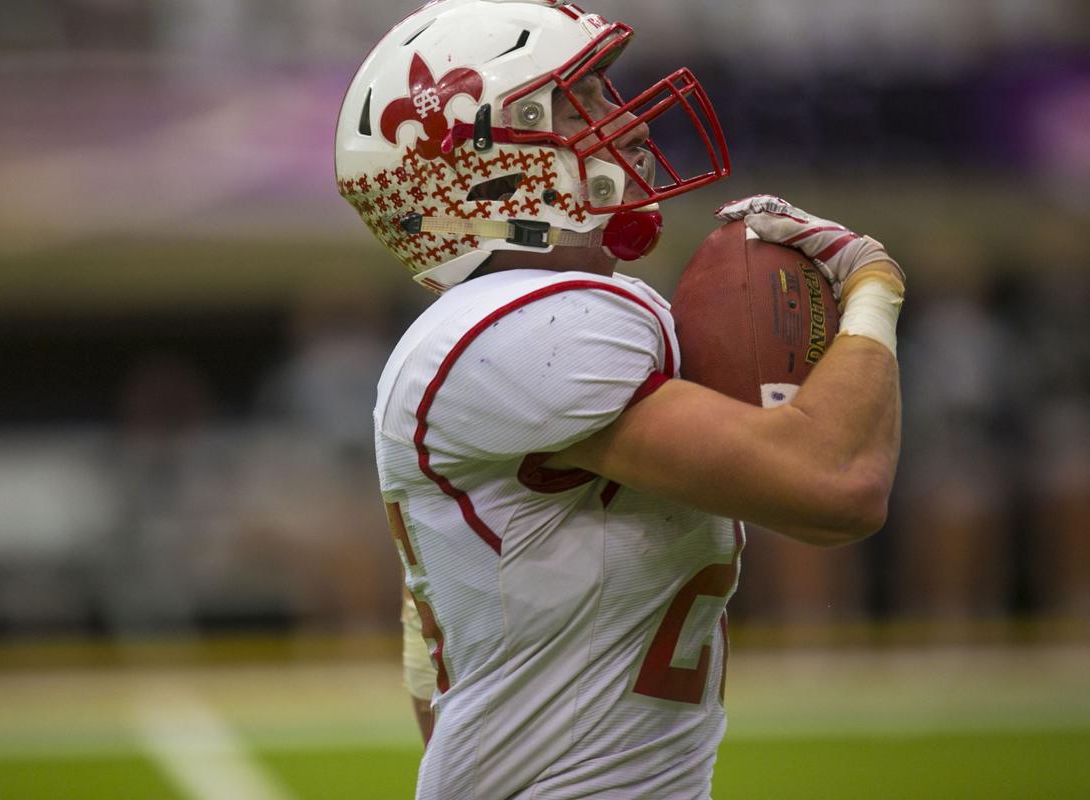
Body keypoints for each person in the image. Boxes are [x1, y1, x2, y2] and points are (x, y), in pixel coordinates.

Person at [335, 1, 904, 797]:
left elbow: (433, 673)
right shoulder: (535, 324)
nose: (627, 122)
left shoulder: (500, 330)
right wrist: (873, 289)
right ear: (486, 158)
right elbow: (835, 485)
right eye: (581, 102)